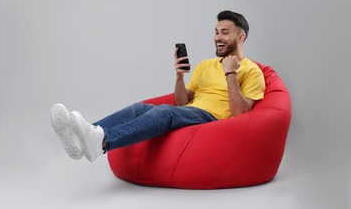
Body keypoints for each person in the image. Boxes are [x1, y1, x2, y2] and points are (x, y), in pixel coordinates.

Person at [51, 10, 266, 163]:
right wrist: (179, 77)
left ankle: (102, 141)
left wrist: (230, 72)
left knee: (164, 111)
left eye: (225, 32)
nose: (217, 37)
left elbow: (240, 113)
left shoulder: (252, 70)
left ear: (241, 37)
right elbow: (183, 102)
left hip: (213, 119)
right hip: (190, 112)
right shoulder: (205, 65)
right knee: (140, 107)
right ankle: (85, 134)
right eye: (216, 31)